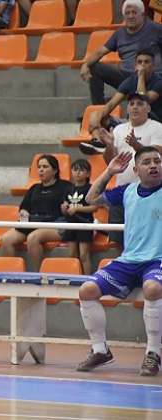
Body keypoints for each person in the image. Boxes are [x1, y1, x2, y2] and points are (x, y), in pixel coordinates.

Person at [78, 147, 162, 376]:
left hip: (158, 261)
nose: (154, 165)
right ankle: (100, 350)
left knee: (152, 288)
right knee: (87, 290)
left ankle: (153, 354)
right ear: (135, 170)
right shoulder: (127, 191)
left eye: (157, 161)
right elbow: (90, 198)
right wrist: (109, 171)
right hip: (128, 261)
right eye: (147, 162)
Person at [96, 92, 162, 247]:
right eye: (131, 104)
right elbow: (109, 161)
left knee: (148, 240)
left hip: (149, 195)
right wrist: (110, 145)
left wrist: (136, 145)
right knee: (116, 241)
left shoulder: (157, 127)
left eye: (140, 103)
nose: (135, 107)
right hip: (123, 194)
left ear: (148, 108)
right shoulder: (119, 129)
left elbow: (157, 154)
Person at [80, 0, 162, 106]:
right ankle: (98, 108)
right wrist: (85, 64)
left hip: (152, 78)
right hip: (127, 78)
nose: (130, 16)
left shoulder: (156, 29)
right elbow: (100, 52)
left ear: (142, 14)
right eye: (127, 13)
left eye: (134, 12)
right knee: (94, 67)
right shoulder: (119, 34)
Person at [0, 154, 73, 270]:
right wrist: (24, 212)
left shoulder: (66, 186)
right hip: (33, 223)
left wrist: (67, 209)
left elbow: (71, 206)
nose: (41, 170)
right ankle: (11, 275)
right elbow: (24, 207)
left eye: (45, 167)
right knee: (6, 239)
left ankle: (37, 275)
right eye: (39, 167)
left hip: (56, 224)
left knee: (32, 238)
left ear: (54, 170)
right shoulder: (34, 188)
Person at [60, 159, 97, 275]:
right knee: (71, 255)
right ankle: (74, 278)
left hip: (84, 224)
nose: (78, 173)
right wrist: (64, 208)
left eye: (81, 170)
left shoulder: (91, 188)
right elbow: (65, 208)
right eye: (75, 170)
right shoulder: (68, 189)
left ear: (88, 173)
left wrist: (77, 208)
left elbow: (94, 208)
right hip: (71, 224)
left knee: (84, 255)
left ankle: (87, 280)